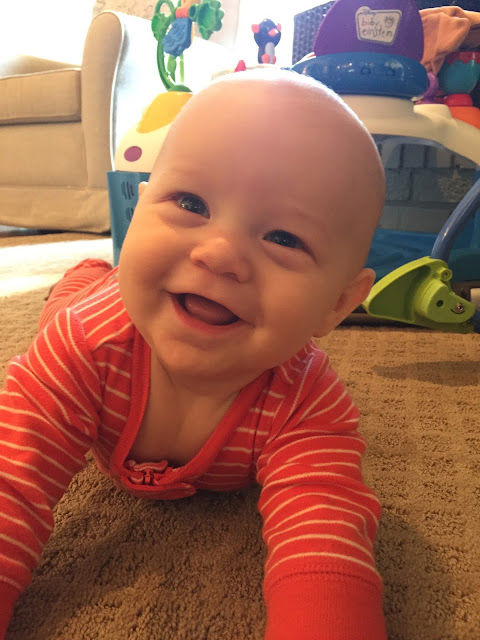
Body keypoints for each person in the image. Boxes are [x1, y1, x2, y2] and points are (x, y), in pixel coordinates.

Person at [0, 69, 387, 639]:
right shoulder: (82, 346)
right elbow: (12, 482)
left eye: (283, 238)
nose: (220, 253)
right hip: (94, 315)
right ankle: (85, 276)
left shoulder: (307, 405)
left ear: (337, 304)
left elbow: (326, 539)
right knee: (63, 311)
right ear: (137, 213)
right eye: (191, 203)